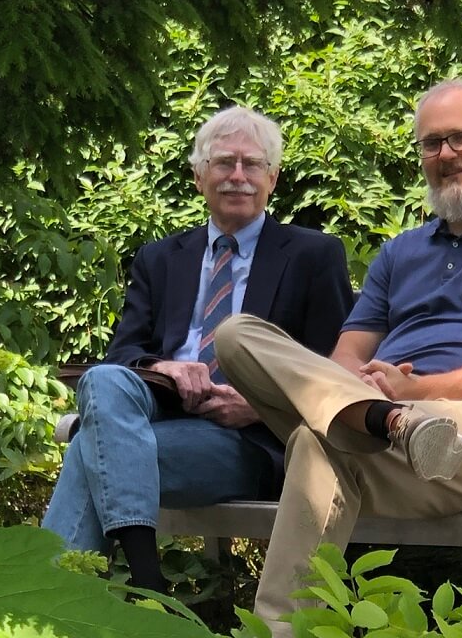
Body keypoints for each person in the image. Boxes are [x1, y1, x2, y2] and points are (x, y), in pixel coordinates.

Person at [213, 78, 462, 638]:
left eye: (460, 139)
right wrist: (373, 396)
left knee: (316, 444)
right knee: (237, 333)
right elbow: (345, 358)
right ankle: (384, 424)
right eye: (431, 144)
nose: (446, 156)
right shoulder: (401, 252)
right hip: (392, 426)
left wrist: (419, 392)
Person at [42, 106, 354, 593]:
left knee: (89, 448)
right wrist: (163, 366)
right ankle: (147, 587)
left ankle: (70, 617)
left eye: (252, 165)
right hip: (161, 413)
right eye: (223, 163)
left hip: (248, 439)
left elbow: (337, 373)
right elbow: (124, 353)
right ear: (197, 176)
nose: (237, 177)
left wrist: (257, 405)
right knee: (103, 378)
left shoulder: (314, 256)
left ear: (273, 178)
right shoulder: (160, 258)